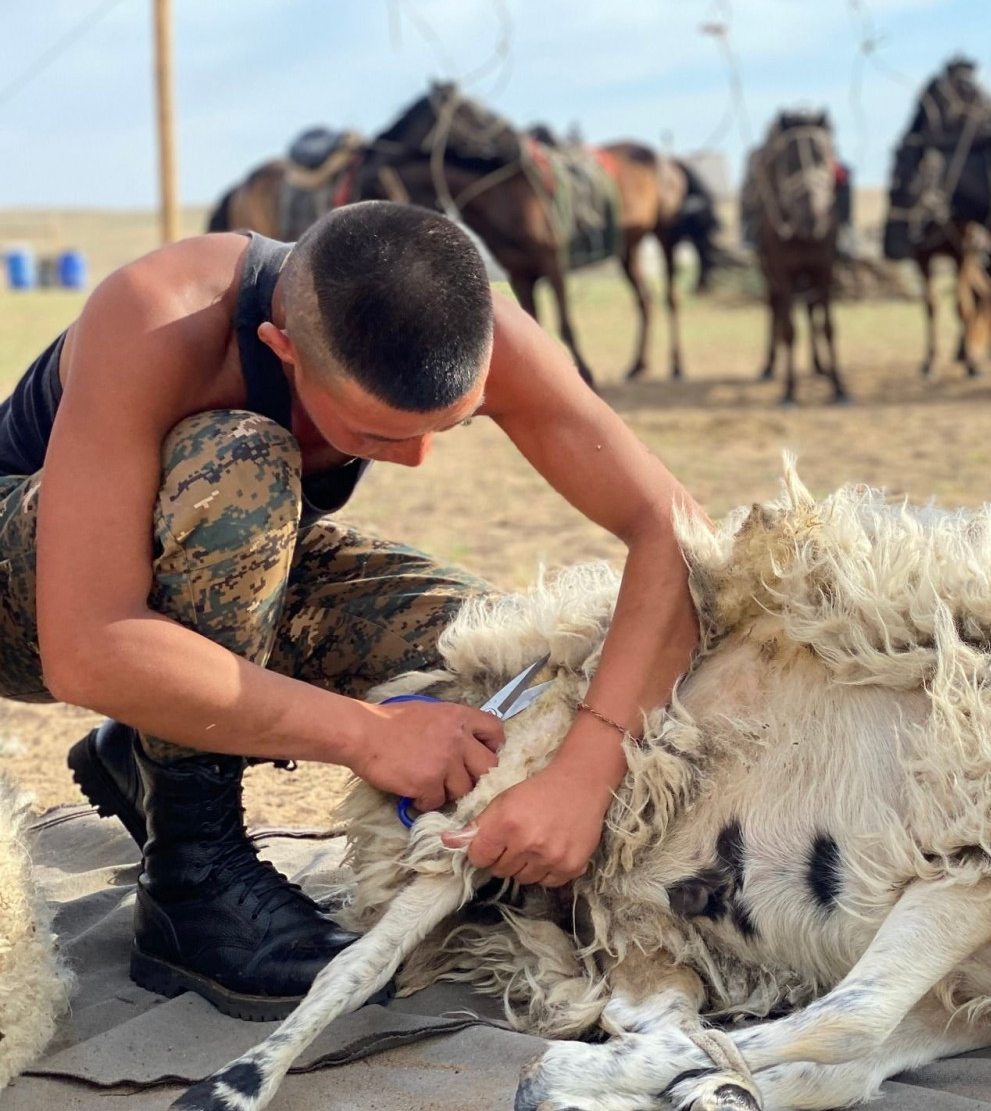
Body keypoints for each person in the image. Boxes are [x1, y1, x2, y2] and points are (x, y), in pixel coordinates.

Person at [1, 201, 701, 1019]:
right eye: (376, 433)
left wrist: (588, 767)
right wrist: (368, 736)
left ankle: (143, 757)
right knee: (243, 463)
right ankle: (190, 877)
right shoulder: (161, 316)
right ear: (282, 351)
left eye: (453, 423)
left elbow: (675, 532)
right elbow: (89, 645)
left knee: (492, 653)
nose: (416, 458)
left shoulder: (474, 318)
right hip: (37, 592)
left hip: (224, 562)